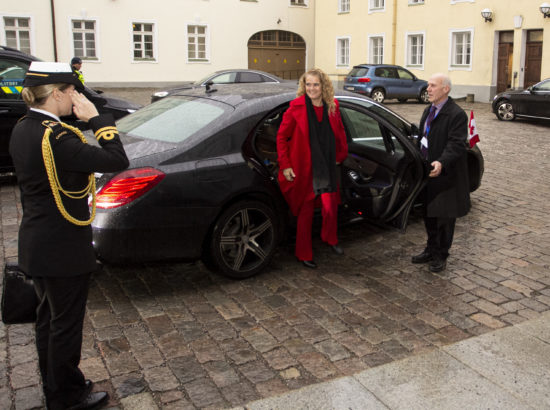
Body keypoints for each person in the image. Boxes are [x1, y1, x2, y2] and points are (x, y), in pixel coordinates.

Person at [9, 62, 129, 410]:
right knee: (65, 327)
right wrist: (97, 120)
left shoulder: (26, 127)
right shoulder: (57, 137)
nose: (78, 96)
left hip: (38, 242)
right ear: (58, 93)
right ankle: (66, 398)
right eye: (73, 91)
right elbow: (115, 158)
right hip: (62, 247)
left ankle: (57, 385)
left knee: (49, 321)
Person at [276, 68, 348, 269]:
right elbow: (281, 137)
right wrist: (286, 165)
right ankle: (303, 253)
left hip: (327, 166)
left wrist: (341, 155)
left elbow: (340, 133)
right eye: (308, 84)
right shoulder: (295, 108)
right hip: (305, 168)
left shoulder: (332, 106)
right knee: (306, 212)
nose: (311, 88)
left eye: (315, 84)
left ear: (323, 86)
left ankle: (329, 238)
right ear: (303, 86)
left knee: (330, 207)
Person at [412, 73, 470, 273]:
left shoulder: (456, 114)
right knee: (429, 214)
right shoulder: (429, 110)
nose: (428, 89)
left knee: (444, 218)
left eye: (433, 85)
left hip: (446, 176)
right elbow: (423, 137)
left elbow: (456, 144)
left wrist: (442, 162)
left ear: (445, 89)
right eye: (428, 85)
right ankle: (430, 249)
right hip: (428, 173)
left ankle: (441, 255)